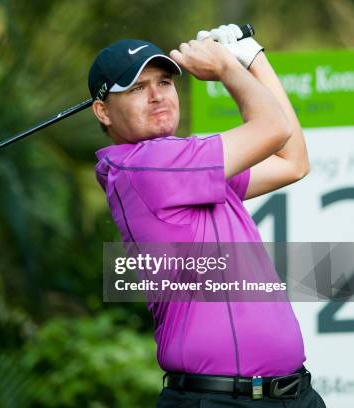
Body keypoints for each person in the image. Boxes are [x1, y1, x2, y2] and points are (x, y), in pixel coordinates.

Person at [89, 24, 326, 407]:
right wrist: (229, 69)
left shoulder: (188, 169)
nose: (156, 96)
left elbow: (293, 161)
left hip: (294, 394)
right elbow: (274, 128)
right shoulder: (145, 168)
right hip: (217, 400)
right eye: (136, 88)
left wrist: (252, 57)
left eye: (164, 82)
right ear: (103, 111)